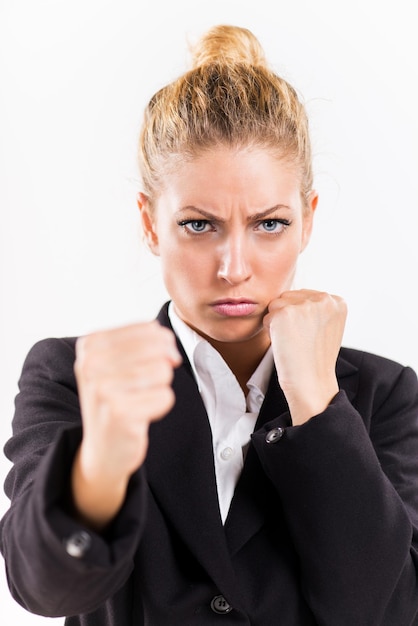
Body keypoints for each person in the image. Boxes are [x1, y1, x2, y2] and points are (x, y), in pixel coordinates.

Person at [1, 23, 418, 626]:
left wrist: (319, 407)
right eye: (199, 225)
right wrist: (101, 460)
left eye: (269, 224)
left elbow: (389, 610)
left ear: (308, 220)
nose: (234, 268)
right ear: (150, 224)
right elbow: (46, 591)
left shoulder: (385, 394)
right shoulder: (75, 374)